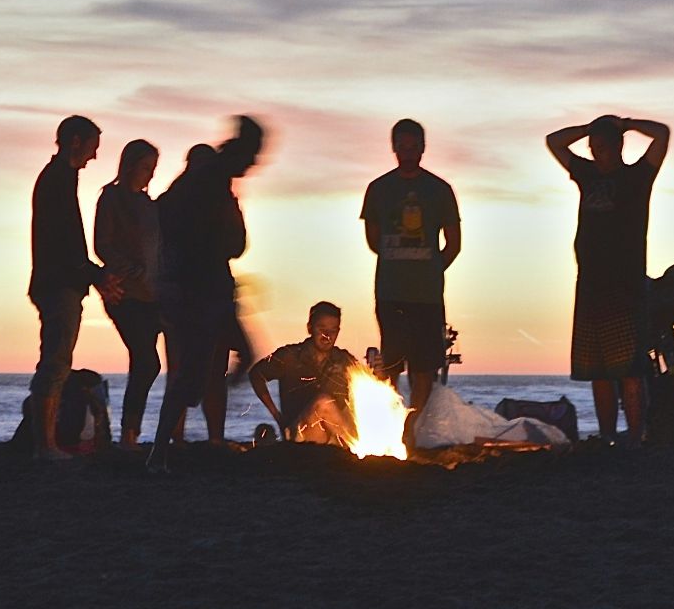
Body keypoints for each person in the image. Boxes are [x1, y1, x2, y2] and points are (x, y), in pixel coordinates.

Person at [545, 113, 670, 445]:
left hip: (625, 285)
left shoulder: (637, 177)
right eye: (592, 146)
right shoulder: (585, 174)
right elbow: (554, 141)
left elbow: (662, 134)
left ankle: (635, 435)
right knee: (597, 370)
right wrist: (588, 128)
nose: (595, 152)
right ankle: (607, 435)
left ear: (618, 146)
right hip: (590, 284)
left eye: (601, 146)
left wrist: (626, 123)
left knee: (629, 369)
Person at [149, 117, 265, 472]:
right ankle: (160, 451)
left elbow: (234, 243)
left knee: (238, 358)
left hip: (207, 289)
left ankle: (169, 440)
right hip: (200, 291)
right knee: (198, 371)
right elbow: (231, 242)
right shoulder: (208, 182)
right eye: (253, 156)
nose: (255, 165)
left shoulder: (206, 186)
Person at [28, 116, 123, 461]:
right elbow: (64, 244)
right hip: (58, 284)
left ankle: (47, 443)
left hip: (61, 281)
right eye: (93, 148)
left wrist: (92, 276)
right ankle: (45, 446)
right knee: (55, 361)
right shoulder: (56, 181)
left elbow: (68, 245)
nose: (94, 157)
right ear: (76, 142)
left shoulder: (61, 179)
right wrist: (94, 276)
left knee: (58, 360)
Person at [360, 118, 460, 444]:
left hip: (427, 294)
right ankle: (391, 424)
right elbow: (373, 240)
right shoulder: (378, 189)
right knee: (391, 363)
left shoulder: (440, 190)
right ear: (393, 148)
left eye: (413, 146)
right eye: (401, 146)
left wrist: (432, 267)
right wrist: (399, 258)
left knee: (424, 366)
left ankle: (412, 432)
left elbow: (454, 243)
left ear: (422, 147)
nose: (407, 152)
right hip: (391, 291)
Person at [94, 139, 163, 449]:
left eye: (153, 169)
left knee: (146, 362)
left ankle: (131, 434)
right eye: (145, 167)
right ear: (130, 165)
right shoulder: (111, 198)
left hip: (153, 294)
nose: (149, 174)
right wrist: (128, 269)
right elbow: (102, 244)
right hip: (124, 292)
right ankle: (128, 434)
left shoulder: (150, 206)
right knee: (147, 361)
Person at [248, 301, 359, 446]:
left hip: (336, 437)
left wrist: (378, 369)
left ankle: (356, 445)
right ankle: (360, 447)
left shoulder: (344, 360)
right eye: (322, 329)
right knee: (324, 403)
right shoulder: (289, 356)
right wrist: (277, 416)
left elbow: (371, 386)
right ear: (310, 328)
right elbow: (256, 374)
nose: (328, 335)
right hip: (302, 434)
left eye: (333, 330)